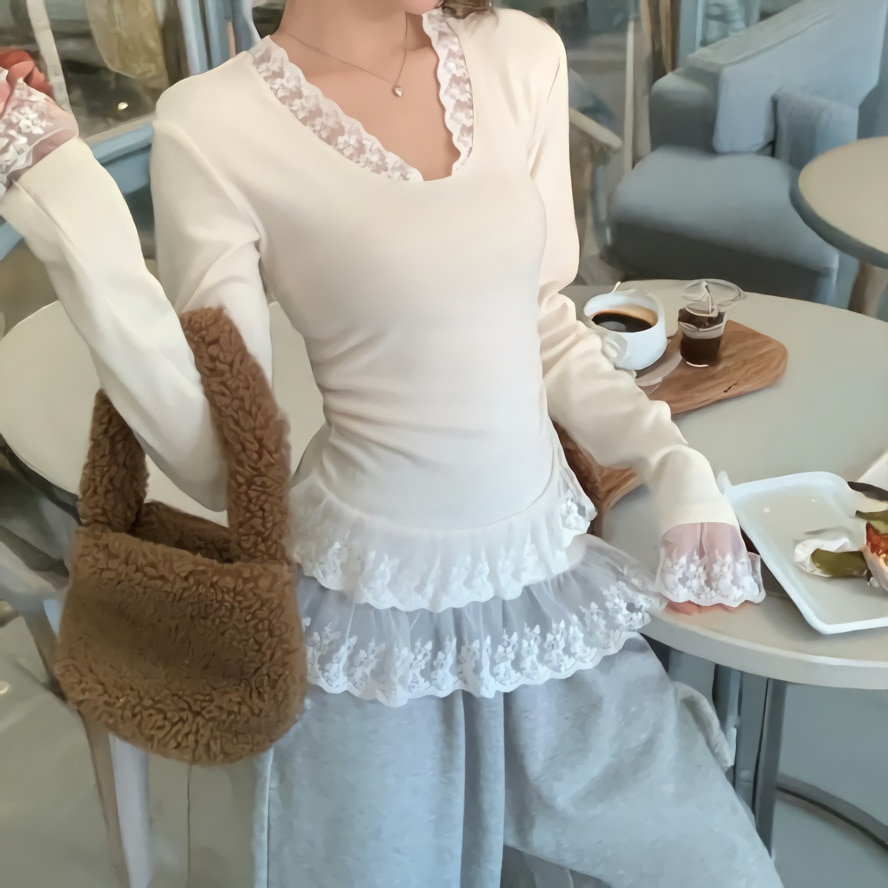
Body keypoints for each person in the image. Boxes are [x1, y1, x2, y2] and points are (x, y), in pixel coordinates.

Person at [0, 3, 783, 886]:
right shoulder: (211, 125)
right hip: (367, 619)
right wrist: (66, 198)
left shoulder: (522, 55)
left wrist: (671, 462)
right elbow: (221, 454)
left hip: (547, 585)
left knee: (721, 870)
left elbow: (541, 322)